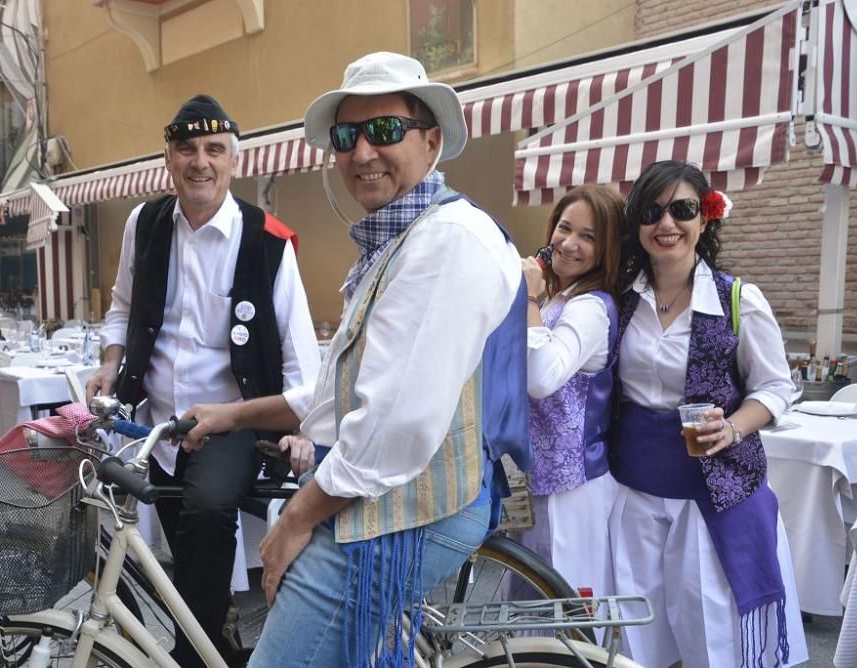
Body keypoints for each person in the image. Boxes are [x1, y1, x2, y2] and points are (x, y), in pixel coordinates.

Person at [180, 52, 528, 667]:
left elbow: (394, 423)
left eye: (386, 130)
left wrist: (295, 519)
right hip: (391, 494)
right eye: (347, 135)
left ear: (432, 140)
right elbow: (344, 392)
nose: (363, 151)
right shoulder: (404, 237)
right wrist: (237, 417)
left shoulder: (445, 242)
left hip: (411, 510)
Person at [85, 94, 320, 666]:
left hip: (234, 420)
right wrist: (111, 362)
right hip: (156, 421)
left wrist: (305, 425)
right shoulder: (145, 223)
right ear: (169, 158)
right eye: (187, 149)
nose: (200, 162)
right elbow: (120, 307)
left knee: (209, 509)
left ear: (234, 161)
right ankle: (202, 638)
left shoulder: (266, 240)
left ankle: (195, 655)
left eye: (214, 150)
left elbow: (301, 354)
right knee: (147, 533)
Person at [609, 159, 807, 667]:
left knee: (711, 635)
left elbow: (776, 387)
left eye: (682, 209)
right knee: (639, 636)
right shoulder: (619, 300)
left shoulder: (739, 299)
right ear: (637, 224)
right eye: (653, 211)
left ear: (705, 219)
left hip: (711, 494)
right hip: (633, 494)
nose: (667, 224)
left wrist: (735, 427)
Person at [507, 185, 623, 617]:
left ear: (607, 248)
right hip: (538, 479)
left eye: (589, 237)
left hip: (571, 490)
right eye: (564, 228)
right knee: (529, 603)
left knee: (559, 609)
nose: (569, 243)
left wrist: (531, 297)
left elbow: (541, 378)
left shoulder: (591, 307)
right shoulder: (561, 298)